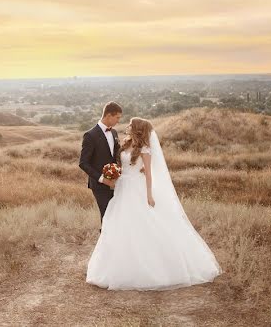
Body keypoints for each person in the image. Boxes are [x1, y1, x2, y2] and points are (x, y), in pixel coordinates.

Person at [86, 117, 223, 290]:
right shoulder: (126, 144)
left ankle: (150, 268)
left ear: (137, 128)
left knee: (142, 224)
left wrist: (149, 195)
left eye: (130, 124)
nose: (127, 126)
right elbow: (120, 163)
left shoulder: (144, 149)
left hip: (136, 188)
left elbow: (149, 174)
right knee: (119, 223)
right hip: (122, 187)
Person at [78, 101, 122, 229]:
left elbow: (116, 156)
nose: (118, 121)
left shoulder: (114, 133)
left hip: (116, 182)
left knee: (117, 214)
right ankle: (106, 245)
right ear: (108, 115)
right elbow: (83, 163)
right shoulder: (90, 135)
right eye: (117, 117)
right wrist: (103, 179)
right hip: (99, 185)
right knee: (107, 215)